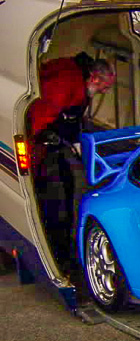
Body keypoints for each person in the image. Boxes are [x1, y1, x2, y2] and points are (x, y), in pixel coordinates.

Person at [28, 52, 115, 271]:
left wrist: (74, 140)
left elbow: (71, 118)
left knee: (65, 192)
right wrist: (51, 139)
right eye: (105, 87)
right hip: (43, 148)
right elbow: (40, 118)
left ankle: (63, 249)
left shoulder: (76, 80)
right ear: (94, 78)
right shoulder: (67, 82)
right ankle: (59, 255)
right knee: (57, 200)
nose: (105, 92)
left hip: (54, 145)